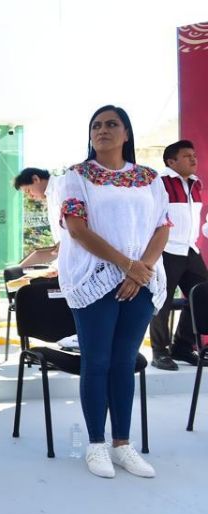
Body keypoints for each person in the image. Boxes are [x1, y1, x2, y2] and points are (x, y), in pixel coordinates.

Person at [55, 105, 169, 479]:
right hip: (95, 280)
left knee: (125, 362)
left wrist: (141, 269)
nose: (102, 130)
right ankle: (95, 444)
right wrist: (127, 265)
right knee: (97, 361)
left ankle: (123, 445)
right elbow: (77, 228)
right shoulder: (77, 176)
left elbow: (162, 227)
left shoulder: (149, 178)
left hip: (141, 281)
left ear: (126, 134)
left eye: (111, 124)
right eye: (96, 125)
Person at [149, 140, 207, 371]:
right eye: (187, 156)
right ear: (171, 161)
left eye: (194, 155)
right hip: (166, 249)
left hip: (190, 249)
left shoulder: (195, 184)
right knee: (160, 301)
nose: (194, 159)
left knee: (202, 296)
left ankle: (182, 347)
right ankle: (159, 352)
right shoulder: (159, 183)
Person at [14, 166, 63, 244]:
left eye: (28, 191)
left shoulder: (62, 184)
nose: (30, 196)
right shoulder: (49, 195)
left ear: (35, 179)